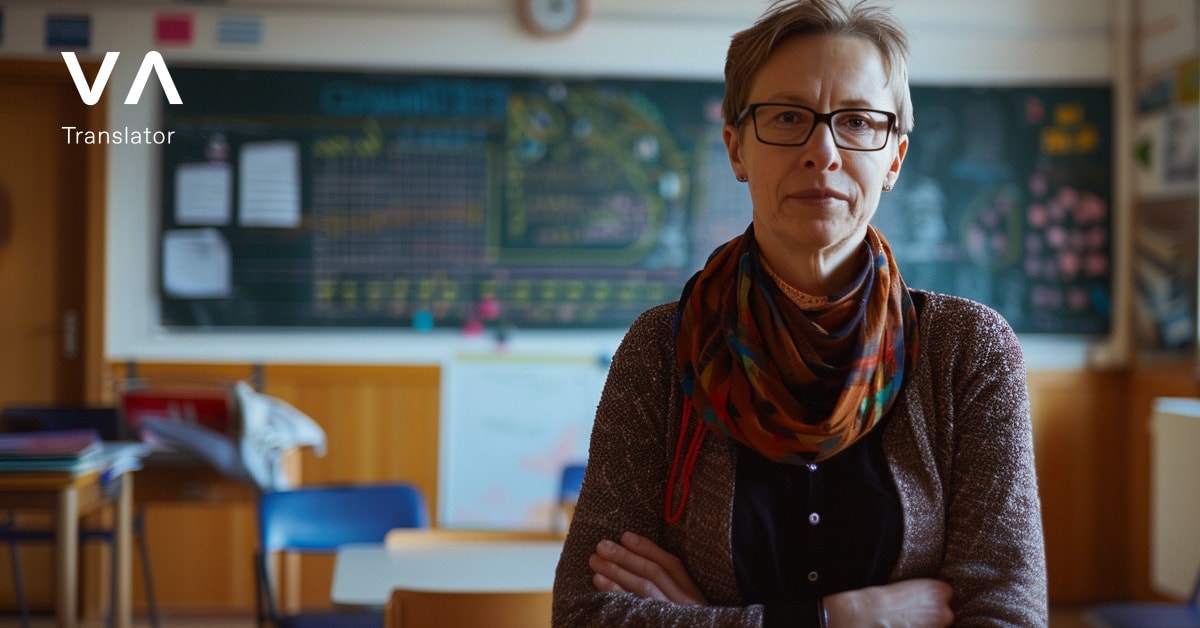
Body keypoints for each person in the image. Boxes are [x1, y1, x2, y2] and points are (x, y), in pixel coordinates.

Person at [551, 0, 1047, 626]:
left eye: (859, 121)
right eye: (787, 117)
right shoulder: (660, 348)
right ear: (736, 149)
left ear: (893, 157)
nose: (823, 151)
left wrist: (707, 618)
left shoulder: (968, 350)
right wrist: (843, 618)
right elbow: (585, 613)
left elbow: (1007, 615)